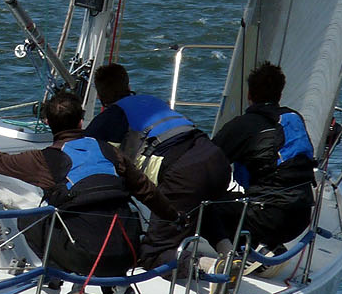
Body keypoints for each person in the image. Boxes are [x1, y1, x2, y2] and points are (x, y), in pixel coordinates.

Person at [0, 90, 177, 294]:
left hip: (84, 257)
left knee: (31, 219)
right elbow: (147, 191)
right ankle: (116, 289)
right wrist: (175, 218)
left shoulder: (44, 160)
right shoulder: (110, 152)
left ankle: (67, 278)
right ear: (81, 121)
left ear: (48, 123)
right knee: (104, 221)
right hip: (128, 252)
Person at [86, 63, 233, 270]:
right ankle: (229, 252)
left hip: (184, 173)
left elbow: (81, 152)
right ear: (128, 85)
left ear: (101, 96)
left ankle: (208, 265)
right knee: (199, 206)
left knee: (152, 255)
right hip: (216, 159)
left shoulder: (111, 116)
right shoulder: (151, 100)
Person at [200, 61, 317, 252]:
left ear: (249, 94)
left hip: (266, 218)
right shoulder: (294, 118)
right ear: (280, 94)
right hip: (301, 217)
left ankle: (234, 256)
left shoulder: (242, 125)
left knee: (204, 208)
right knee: (249, 196)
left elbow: (205, 165)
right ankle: (269, 247)